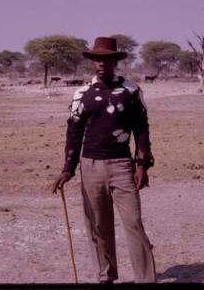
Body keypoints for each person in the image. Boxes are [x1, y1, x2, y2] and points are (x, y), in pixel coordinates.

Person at [52, 37, 157, 284]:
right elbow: (74, 132)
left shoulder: (131, 91)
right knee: (98, 225)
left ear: (115, 61)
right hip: (90, 167)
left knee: (133, 223)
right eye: (97, 59)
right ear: (93, 62)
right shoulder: (82, 94)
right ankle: (105, 276)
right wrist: (68, 169)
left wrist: (142, 165)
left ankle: (146, 279)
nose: (101, 64)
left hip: (123, 166)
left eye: (106, 59)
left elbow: (142, 130)